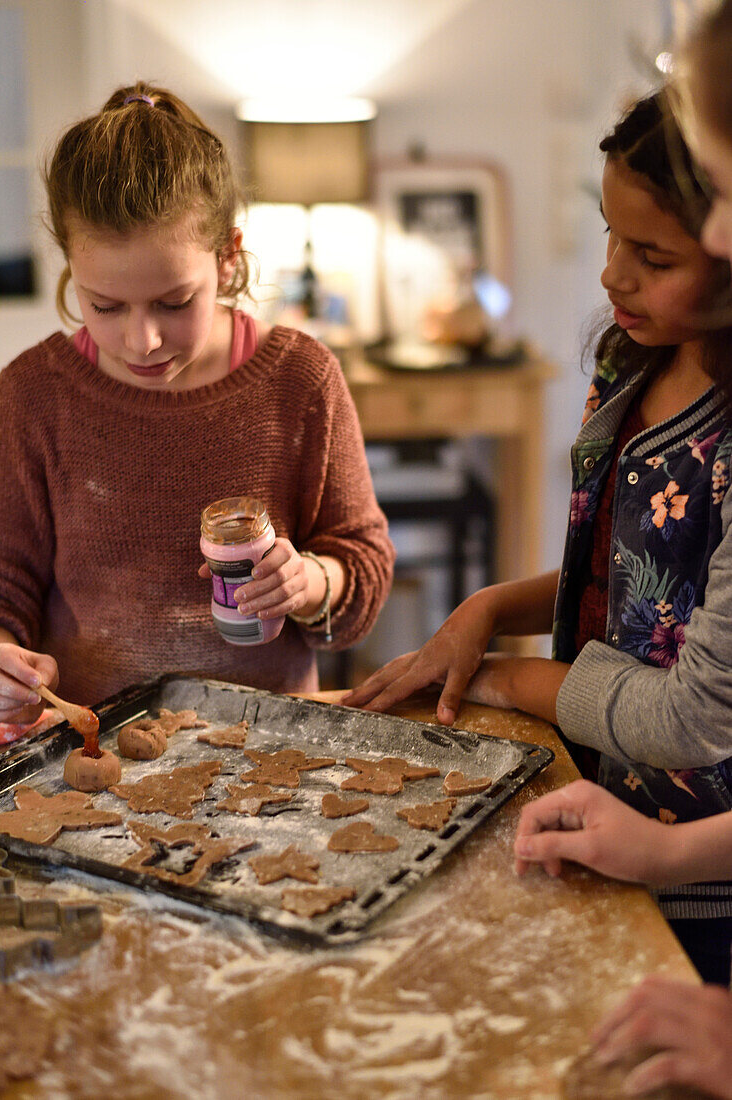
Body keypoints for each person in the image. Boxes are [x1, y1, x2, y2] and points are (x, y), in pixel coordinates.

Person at [346, 84, 732, 989]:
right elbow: (631, 574)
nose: (611, 274)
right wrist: (487, 607)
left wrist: (509, 678)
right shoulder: (631, 359)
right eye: (608, 232)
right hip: (596, 797)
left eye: (652, 254)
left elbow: (695, 716)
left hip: (698, 864)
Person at [0, 81, 394, 728]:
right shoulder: (33, 395)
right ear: (70, 264)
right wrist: (6, 658)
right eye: (104, 306)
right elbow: (5, 583)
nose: (141, 340)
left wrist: (309, 582)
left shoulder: (301, 381)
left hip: (268, 741)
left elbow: (362, 566)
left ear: (228, 256)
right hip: (100, 746)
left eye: (174, 302)